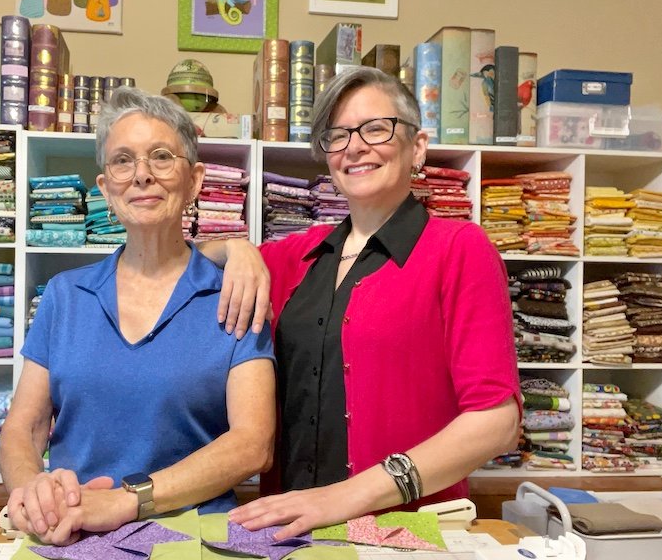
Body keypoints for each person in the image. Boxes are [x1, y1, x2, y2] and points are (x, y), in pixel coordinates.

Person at [204, 66, 521, 539]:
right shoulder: (297, 256)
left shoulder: (459, 249)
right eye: (337, 135)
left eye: (375, 128)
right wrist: (237, 248)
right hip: (289, 534)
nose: (354, 147)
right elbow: (189, 265)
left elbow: (497, 420)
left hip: (409, 535)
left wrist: (347, 496)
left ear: (418, 146)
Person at [0, 87, 276, 545]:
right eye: (123, 161)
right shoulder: (66, 296)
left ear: (195, 180)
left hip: (196, 539)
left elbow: (253, 445)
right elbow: (24, 426)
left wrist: (130, 500)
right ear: (106, 187)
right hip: (74, 532)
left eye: (162, 157)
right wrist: (32, 492)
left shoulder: (235, 295)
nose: (142, 176)